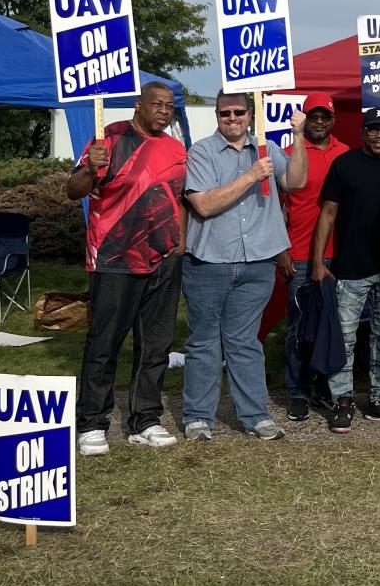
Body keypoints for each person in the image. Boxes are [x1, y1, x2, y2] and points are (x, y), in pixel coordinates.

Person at [180, 91, 309, 442]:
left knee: (245, 342)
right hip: (209, 262)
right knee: (205, 341)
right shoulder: (202, 151)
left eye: (239, 111)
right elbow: (204, 205)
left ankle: (255, 415)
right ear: (217, 116)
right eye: (225, 112)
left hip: (257, 265)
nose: (232, 118)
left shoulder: (268, 149)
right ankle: (198, 418)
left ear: (251, 114)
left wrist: (298, 138)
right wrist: (252, 176)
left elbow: (295, 182)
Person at [68, 82, 187, 456]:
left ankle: (145, 419)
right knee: (105, 342)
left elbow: (179, 198)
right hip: (115, 258)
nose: (164, 112)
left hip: (164, 260)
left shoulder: (175, 147)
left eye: (169, 106)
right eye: (156, 104)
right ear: (139, 105)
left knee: (155, 344)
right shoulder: (109, 138)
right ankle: (92, 422)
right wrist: (90, 166)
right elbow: (74, 190)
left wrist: (179, 242)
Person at [309, 107, 380, 433]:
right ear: (362, 132)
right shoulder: (344, 164)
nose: (379, 135)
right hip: (350, 270)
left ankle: (379, 398)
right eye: (373, 129)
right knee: (345, 339)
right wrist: (318, 260)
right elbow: (328, 214)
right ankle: (342, 400)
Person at [277, 93, 348, 423]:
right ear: (304, 118)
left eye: (325, 117)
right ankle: (297, 392)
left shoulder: (345, 154)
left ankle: (324, 388)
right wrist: (282, 249)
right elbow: (275, 207)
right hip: (300, 254)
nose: (319, 122)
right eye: (314, 116)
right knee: (298, 329)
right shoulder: (290, 152)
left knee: (332, 327)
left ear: (333, 120)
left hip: (339, 256)